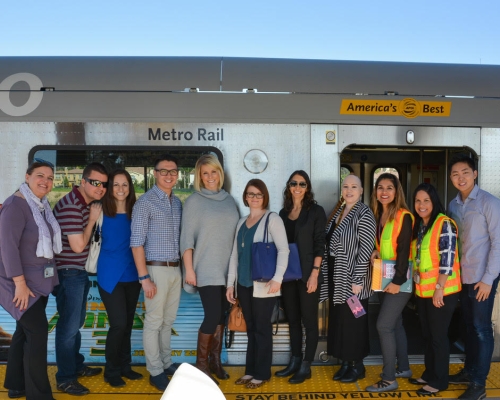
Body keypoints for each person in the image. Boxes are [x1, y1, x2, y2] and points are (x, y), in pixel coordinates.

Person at [0, 159, 61, 400]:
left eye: (50, 178)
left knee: (24, 333)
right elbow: (7, 249)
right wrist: (20, 284)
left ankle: (15, 384)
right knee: (37, 334)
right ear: (27, 177)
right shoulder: (16, 205)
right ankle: (40, 396)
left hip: (38, 284)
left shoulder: (40, 205)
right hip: (19, 285)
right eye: (40, 176)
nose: (45, 181)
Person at [180, 154, 239, 384]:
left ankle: (215, 362)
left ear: (220, 174)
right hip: (205, 269)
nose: (210, 177)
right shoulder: (194, 201)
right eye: (205, 173)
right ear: (199, 177)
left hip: (228, 271)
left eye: (213, 172)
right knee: (212, 315)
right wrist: (189, 271)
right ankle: (201, 366)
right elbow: (186, 239)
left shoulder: (229, 200)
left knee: (222, 316)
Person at [227, 179, 289, 389]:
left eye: (258, 194)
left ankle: (262, 374)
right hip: (244, 285)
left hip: (264, 286)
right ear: (245, 196)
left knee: (262, 329)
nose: (254, 198)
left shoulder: (272, 219)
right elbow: (235, 255)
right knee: (251, 329)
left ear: (265, 197)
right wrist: (230, 285)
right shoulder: (241, 222)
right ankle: (251, 371)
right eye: (250, 194)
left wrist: (278, 279)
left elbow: (284, 250)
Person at [447, 154, 500, 400]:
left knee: (481, 329)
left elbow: (499, 242)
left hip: (483, 277)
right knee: (468, 326)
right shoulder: (453, 205)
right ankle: (469, 371)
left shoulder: (489, 202)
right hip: (463, 276)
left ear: (475, 174)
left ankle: (478, 384)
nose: (461, 177)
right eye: (456, 173)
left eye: (465, 172)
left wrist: (489, 279)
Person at [53, 162, 108, 396]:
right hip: (69, 273)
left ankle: (75, 365)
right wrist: (92, 220)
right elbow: (77, 247)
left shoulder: (85, 203)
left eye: (103, 184)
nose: (100, 188)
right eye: (95, 182)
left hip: (77, 272)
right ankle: (65, 378)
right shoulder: (72, 206)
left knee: (74, 324)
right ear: (83, 181)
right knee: (68, 328)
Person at [131, 155, 182, 392]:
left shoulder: (178, 202)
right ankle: (155, 370)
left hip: (175, 269)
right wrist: (144, 278)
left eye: (173, 171)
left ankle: (166, 362)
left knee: (167, 321)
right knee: (153, 321)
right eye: (164, 171)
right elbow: (136, 243)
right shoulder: (145, 202)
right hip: (155, 269)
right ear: (155, 173)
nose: (169, 175)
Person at [320, 174, 376, 383]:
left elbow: (365, 249)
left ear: (361, 191)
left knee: (355, 321)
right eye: (346, 186)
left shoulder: (365, 213)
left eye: (354, 187)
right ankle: (345, 361)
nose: (349, 190)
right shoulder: (339, 211)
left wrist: (358, 279)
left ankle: (358, 365)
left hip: (353, 277)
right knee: (339, 320)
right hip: (337, 274)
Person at [408, 183, 461, 395]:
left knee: (438, 336)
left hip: (442, 291)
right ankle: (430, 373)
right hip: (424, 291)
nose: (421, 205)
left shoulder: (444, 223)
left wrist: (439, 287)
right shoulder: (421, 225)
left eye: (426, 201)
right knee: (428, 335)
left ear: (434, 202)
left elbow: (447, 259)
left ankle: (440, 381)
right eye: (418, 201)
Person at [275, 170, 326, 384]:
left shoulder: (316, 211)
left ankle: (306, 366)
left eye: (302, 184)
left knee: (310, 322)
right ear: (289, 186)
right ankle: (295, 361)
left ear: (307, 187)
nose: (298, 187)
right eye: (294, 183)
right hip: (288, 276)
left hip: (307, 275)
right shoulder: (282, 213)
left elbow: (319, 244)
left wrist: (315, 273)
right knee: (293, 321)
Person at [366, 172, 414, 393]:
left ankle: (388, 378)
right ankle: (403, 368)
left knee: (383, 325)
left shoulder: (403, 215)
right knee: (396, 324)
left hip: (398, 281)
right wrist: (377, 250)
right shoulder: (380, 215)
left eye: (389, 188)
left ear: (397, 192)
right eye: (380, 187)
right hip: (384, 277)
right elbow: (388, 244)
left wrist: (397, 281)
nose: (384, 192)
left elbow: (404, 251)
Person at [97, 169, 142, 387]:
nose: (121, 189)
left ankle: (125, 366)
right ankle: (111, 370)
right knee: (118, 324)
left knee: (127, 325)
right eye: (116, 185)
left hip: (133, 275)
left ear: (130, 188)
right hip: (109, 276)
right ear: (110, 188)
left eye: (125, 185)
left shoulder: (137, 211)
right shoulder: (100, 211)